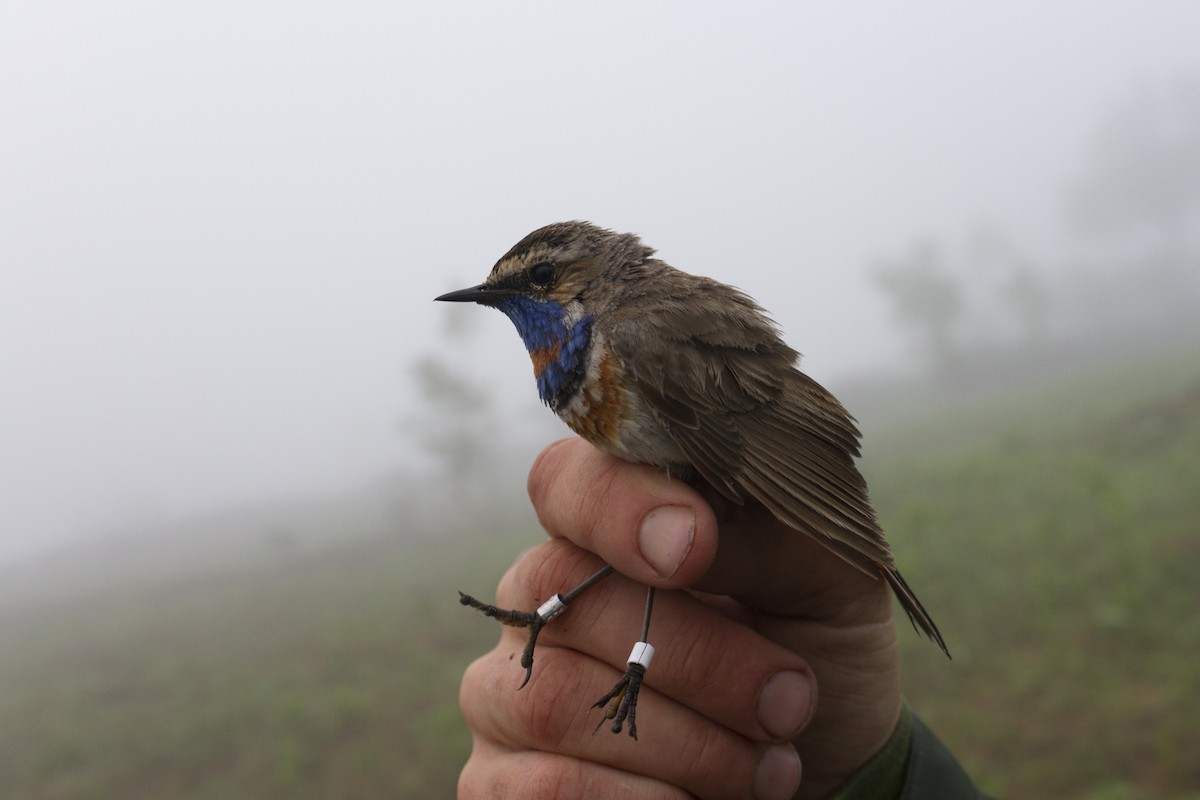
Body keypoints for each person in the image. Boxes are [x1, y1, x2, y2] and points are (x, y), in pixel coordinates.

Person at [458, 438, 987, 799]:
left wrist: (875, 779)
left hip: (715, 505)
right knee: (641, 552)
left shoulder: (632, 330)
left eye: (545, 279)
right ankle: (548, 615)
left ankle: (590, 639)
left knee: (652, 552)